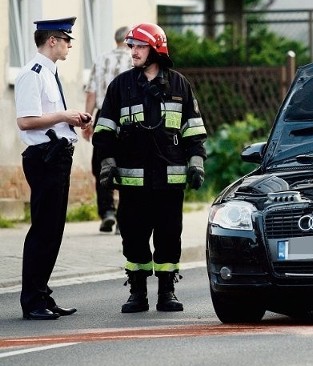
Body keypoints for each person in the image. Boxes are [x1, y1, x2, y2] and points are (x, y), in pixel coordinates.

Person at [92, 23, 207, 313]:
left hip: (170, 180)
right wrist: (107, 162)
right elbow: (104, 130)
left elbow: (194, 131)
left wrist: (196, 162)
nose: (133, 52)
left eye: (139, 46)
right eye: (131, 46)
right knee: (133, 236)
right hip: (133, 182)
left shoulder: (180, 85)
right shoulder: (121, 85)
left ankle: (167, 292)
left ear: (156, 49)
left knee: (169, 235)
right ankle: (137, 292)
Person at [14, 17, 93, 320]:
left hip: (57, 155)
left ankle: (42, 294)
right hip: (45, 156)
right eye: (66, 39)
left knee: (53, 230)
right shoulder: (32, 74)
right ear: (52, 41)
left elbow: (48, 116)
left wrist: (71, 118)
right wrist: (64, 115)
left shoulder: (48, 73)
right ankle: (32, 301)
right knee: (43, 231)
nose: (69, 45)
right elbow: (26, 120)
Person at [83, 26, 132, 233]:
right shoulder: (134, 59)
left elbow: (91, 92)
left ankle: (107, 212)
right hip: (129, 115)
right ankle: (124, 217)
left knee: (102, 162)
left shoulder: (101, 59)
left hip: (104, 113)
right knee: (128, 163)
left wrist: (87, 121)